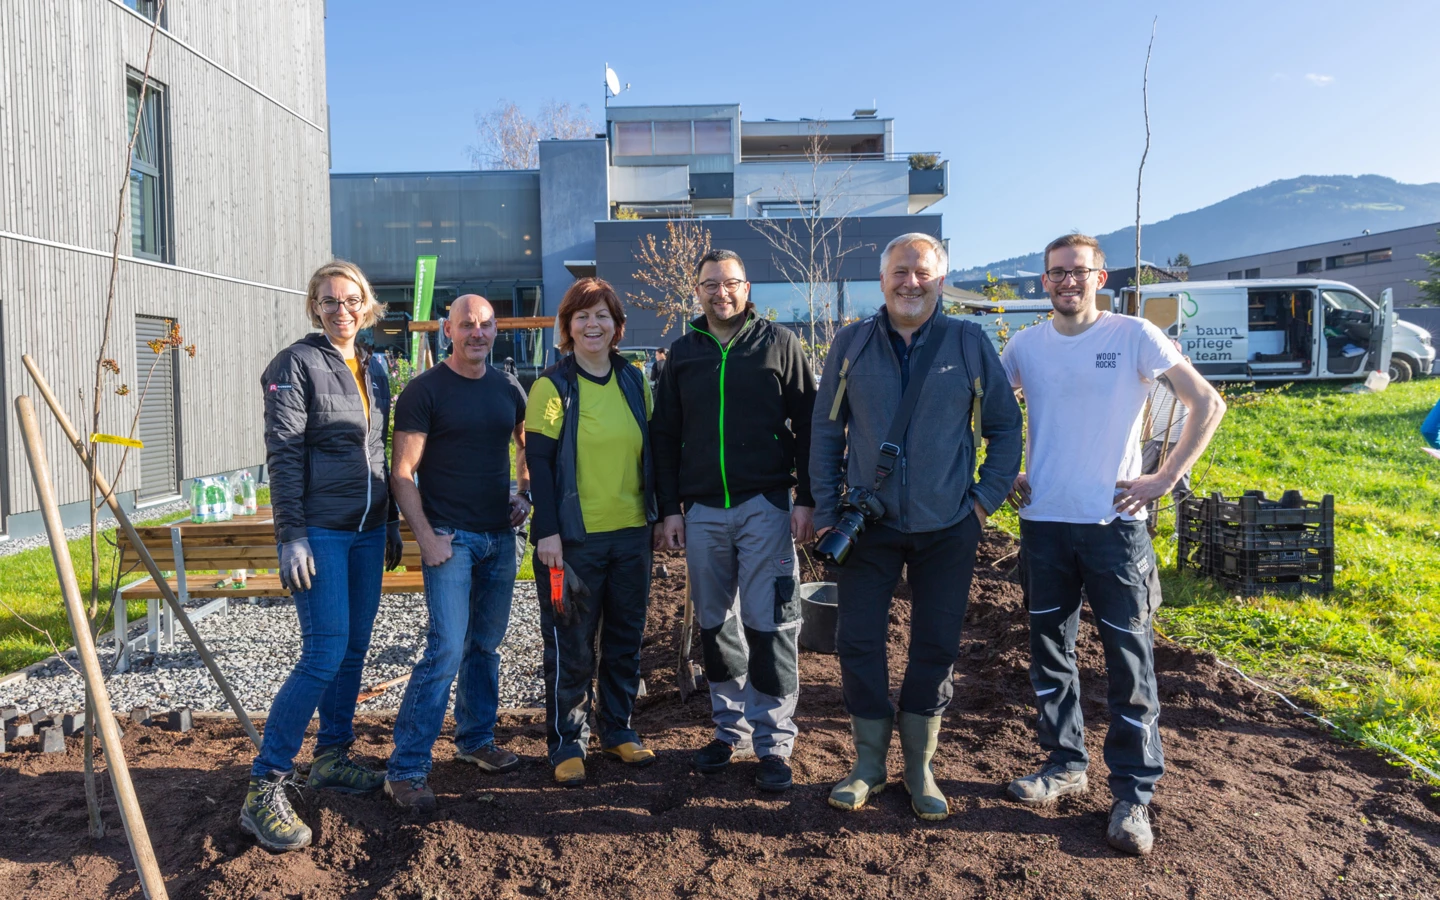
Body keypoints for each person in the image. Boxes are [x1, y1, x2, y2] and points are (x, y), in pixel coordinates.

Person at [1000, 233, 1225, 856]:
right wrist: (1005, 470)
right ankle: (1065, 765)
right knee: (1050, 654)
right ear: (1043, 282)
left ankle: (1132, 794)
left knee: (1130, 662)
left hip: (1114, 527)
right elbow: (987, 408)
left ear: (1099, 276)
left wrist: (1165, 477)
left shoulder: (1132, 336)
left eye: (1078, 271)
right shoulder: (1025, 346)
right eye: (1055, 273)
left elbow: (1206, 402)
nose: (1066, 281)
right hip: (1043, 523)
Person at [811, 233, 1022, 821]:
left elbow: (1006, 429)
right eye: (899, 271)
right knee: (857, 643)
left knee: (935, 645)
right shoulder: (852, 345)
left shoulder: (968, 342)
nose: (911, 282)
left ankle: (920, 768)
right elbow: (826, 433)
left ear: (939, 279)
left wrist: (981, 504)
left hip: (948, 525)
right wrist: (828, 510)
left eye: (922, 273)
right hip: (868, 526)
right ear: (882, 280)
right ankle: (868, 766)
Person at [243, 260, 404, 852]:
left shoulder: (376, 367)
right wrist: (291, 535)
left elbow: (377, 450)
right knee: (324, 651)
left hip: (365, 532)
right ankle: (265, 783)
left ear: (367, 305)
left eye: (351, 299)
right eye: (329, 301)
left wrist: (386, 521)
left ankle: (333, 756)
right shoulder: (295, 365)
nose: (342, 310)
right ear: (315, 307)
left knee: (354, 648)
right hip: (321, 531)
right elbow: (282, 455)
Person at [651, 248, 818, 793]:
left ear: (747, 287)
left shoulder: (778, 345)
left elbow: (810, 424)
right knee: (716, 623)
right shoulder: (681, 355)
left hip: (765, 505)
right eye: (709, 284)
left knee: (771, 622)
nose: (720, 292)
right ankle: (731, 730)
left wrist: (805, 498)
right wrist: (670, 508)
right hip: (701, 511)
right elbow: (664, 438)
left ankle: (774, 741)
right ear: (696, 292)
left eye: (731, 283)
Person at [384, 294, 531, 810]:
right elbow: (401, 473)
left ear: (497, 331)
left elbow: (525, 444)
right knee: (446, 649)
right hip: (450, 539)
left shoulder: (508, 387)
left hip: (499, 538)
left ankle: (474, 741)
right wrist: (426, 537)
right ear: (448, 329)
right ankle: (405, 768)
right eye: (466, 324)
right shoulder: (424, 391)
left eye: (486, 325)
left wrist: (524, 493)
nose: (477, 333)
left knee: (485, 646)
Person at [525, 278, 658, 785]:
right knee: (570, 643)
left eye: (601, 314)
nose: (592, 324)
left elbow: (651, 453)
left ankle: (619, 729)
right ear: (567, 327)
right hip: (574, 542)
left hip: (631, 536)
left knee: (625, 640)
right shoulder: (552, 387)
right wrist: (548, 533)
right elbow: (538, 464)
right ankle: (566, 741)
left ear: (617, 325)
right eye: (581, 316)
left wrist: (661, 513)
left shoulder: (634, 381)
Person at [1140, 343, 1193, 532]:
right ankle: (1144, 522)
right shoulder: (1154, 374)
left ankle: (1182, 531)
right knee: (1142, 478)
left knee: (1179, 487)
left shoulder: (1185, 374)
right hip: (1157, 436)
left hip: (1178, 438)